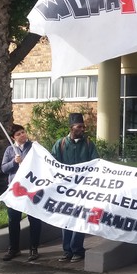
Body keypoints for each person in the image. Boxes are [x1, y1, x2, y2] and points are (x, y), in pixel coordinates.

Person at [51, 113, 99, 263]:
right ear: (71, 128)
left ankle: (77, 250)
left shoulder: (89, 144)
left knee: (80, 218)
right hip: (66, 189)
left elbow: (96, 163)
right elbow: (53, 164)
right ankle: (67, 251)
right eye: (79, 127)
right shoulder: (60, 144)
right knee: (66, 219)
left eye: (83, 127)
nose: (82, 129)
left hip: (83, 190)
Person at [0, 124, 42, 262]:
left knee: (34, 219)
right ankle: (14, 248)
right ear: (13, 137)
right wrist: (14, 161)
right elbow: (4, 168)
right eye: (18, 134)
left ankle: (34, 248)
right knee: (13, 219)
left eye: (23, 132)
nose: (22, 135)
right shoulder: (9, 150)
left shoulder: (34, 147)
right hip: (15, 190)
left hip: (31, 189)